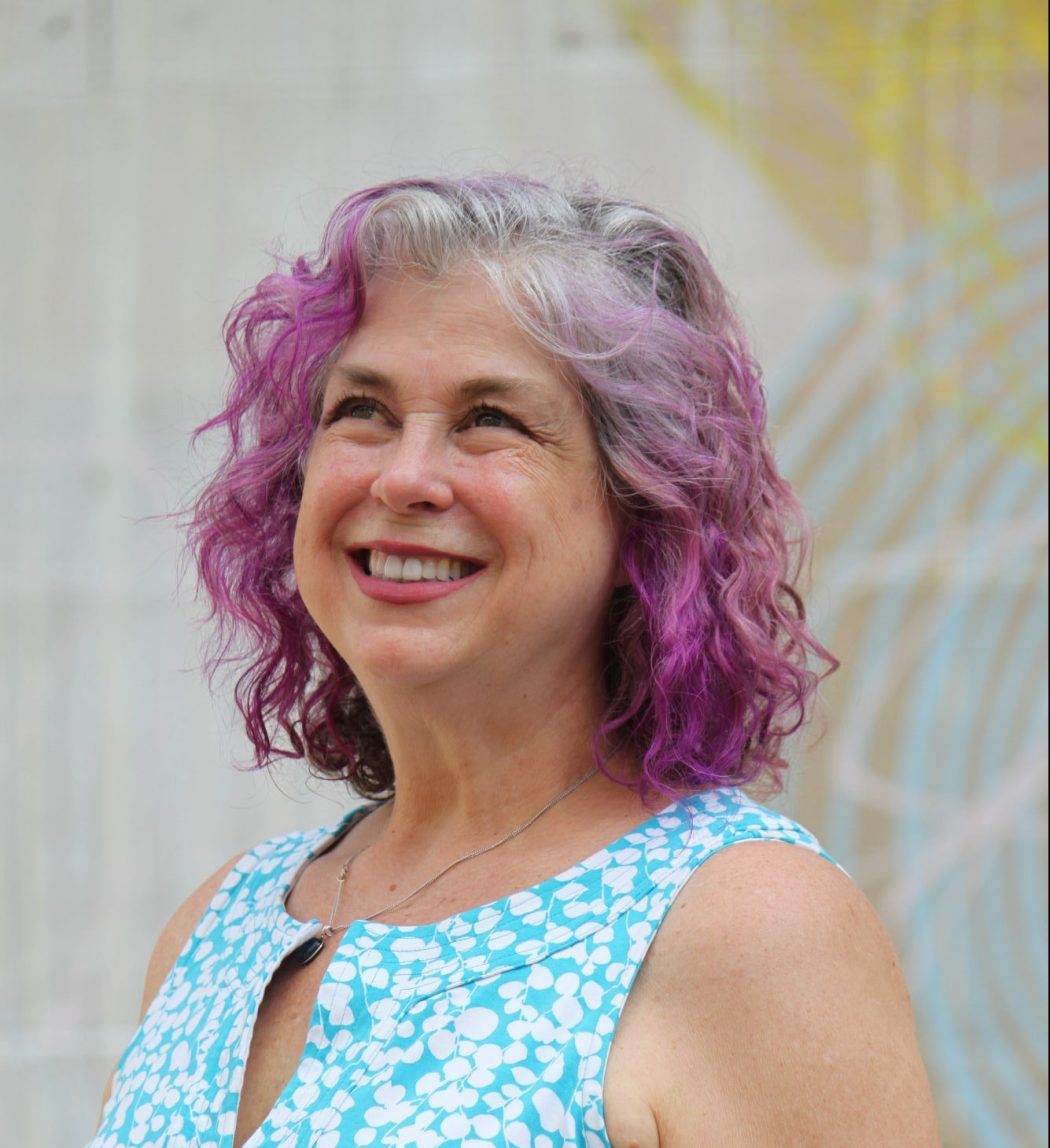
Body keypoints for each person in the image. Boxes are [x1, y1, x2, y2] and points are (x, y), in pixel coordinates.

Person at [90, 174, 940, 1147]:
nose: (403, 475)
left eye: (490, 418)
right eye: (361, 409)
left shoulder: (745, 927)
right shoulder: (217, 925)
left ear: (647, 508)